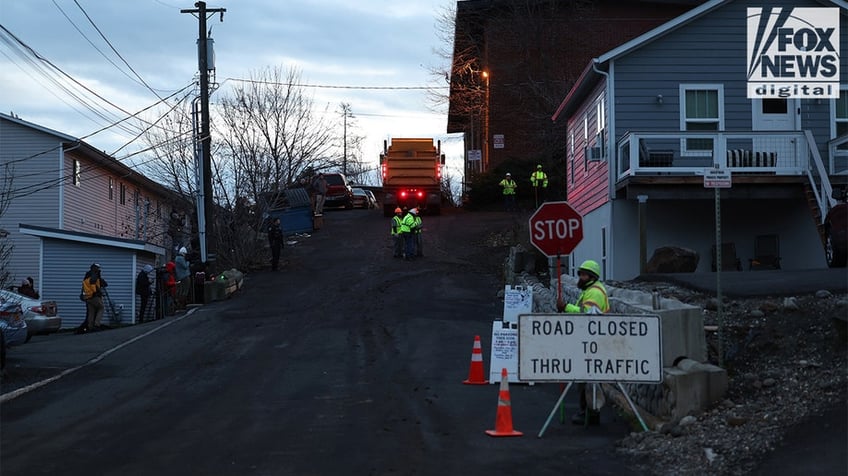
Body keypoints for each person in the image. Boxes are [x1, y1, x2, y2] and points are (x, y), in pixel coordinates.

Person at [556, 259, 609, 425]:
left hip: (593, 341)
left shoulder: (594, 293)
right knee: (586, 378)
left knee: (587, 379)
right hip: (590, 340)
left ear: (592, 277)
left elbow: (587, 316)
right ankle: (588, 412)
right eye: (580, 273)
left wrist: (566, 307)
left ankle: (589, 414)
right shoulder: (590, 290)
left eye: (584, 274)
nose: (580, 277)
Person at [77, 263, 107, 334]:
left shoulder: (86, 278)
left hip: (87, 297)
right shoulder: (94, 276)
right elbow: (95, 287)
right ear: (95, 269)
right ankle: (96, 324)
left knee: (91, 312)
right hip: (94, 296)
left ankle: (90, 326)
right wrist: (100, 292)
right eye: (98, 268)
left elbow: (84, 288)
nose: (99, 270)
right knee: (101, 308)